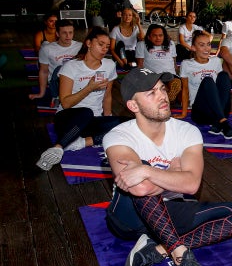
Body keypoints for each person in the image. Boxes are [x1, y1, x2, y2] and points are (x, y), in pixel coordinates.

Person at [104, 68, 232, 266]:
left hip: (169, 212)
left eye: (162, 89)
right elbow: (142, 188)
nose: (163, 96)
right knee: (144, 189)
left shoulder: (187, 131)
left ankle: (159, 249)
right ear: (133, 106)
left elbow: (192, 185)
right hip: (128, 218)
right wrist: (173, 173)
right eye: (151, 93)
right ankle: (181, 256)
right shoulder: (118, 136)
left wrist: (145, 170)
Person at [35, 27, 124, 171]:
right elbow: (66, 102)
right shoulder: (71, 67)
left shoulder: (109, 65)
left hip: (91, 122)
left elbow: (107, 95)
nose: (104, 49)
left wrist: (108, 119)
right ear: (88, 43)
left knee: (126, 123)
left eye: (107, 46)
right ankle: (59, 147)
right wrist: (89, 87)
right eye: (100, 44)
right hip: (69, 119)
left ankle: (80, 143)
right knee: (86, 112)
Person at [178, 30, 232, 139]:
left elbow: (222, 87)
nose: (206, 48)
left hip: (219, 109)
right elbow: (185, 89)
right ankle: (223, 123)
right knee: (207, 81)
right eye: (201, 45)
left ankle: (219, 121)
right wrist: (184, 113)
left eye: (208, 44)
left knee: (224, 75)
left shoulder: (215, 61)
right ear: (193, 48)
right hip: (201, 112)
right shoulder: (187, 64)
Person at [29, 19, 82, 104]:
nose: (68, 36)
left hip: (75, 80)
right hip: (57, 82)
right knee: (61, 68)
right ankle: (58, 96)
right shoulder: (47, 49)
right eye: (64, 33)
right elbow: (43, 71)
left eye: (70, 32)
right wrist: (41, 93)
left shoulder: (80, 47)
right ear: (57, 34)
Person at [136, 24, 181, 101]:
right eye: (154, 36)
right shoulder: (142, 45)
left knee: (176, 82)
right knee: (155, 84)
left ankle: (164, 94)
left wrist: (179, 74)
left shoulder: (171, 44)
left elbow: (174, 62)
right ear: (149, 36)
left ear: (164, 36)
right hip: (152, 76)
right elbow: (140, 65)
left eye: (161, 35)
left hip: (170, 75)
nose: (158, 38)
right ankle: (166, 95)